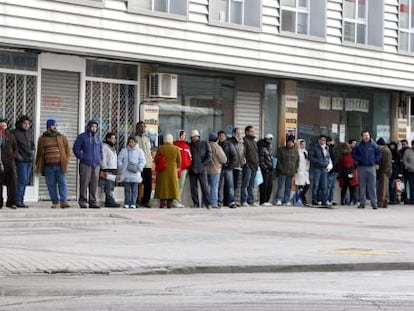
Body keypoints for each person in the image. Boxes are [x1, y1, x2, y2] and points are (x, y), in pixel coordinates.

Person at [35, 119, 71, 209]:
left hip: (60, 165)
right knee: (51, 184)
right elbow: (39, 152)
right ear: (48, 126)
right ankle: (55, 202)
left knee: (62, 183)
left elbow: (68, 150)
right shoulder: (42, 138)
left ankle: (63, 201)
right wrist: (38, 164)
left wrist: (66, 160)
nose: (55, 127)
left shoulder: (61, 137)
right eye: (53, 125)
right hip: (48, 166)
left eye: (56, 125)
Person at [73, 120, 103, 209]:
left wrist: (100, 159)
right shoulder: (82, 137)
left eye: (96, 127)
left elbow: (100, 150)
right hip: (85, 164)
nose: (94, 128)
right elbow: (76, 148)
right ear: (89, 127)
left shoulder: (98, 138)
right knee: (84, 182)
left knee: (94, 183)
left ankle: (93, 201)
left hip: (96, 164)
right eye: (92, 126)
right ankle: (83, 201)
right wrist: (83, 157)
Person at [352, 130, 382, 209]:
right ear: (362, 136)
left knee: (372, 186)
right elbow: (353, 154)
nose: (366, 137)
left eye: (367, 135)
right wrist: (359, 159)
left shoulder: (373, 145)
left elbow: (379, 153)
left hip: (371, 167)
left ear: (369, 136)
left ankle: (374, 203)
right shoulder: (358, 145)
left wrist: (375, 160)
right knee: (362, 186)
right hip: (361, 167)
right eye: (364, 135)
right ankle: (362, 203)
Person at [12, 115, 35, 208]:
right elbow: (12, 147)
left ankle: (20, 199)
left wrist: (33, 151)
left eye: (28, 124)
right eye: (25, 123)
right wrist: (18, 156)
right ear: (21, 123)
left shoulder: (30, 132)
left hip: (29, 160)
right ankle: (18, 200)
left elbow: (32, 144)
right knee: (22, 180)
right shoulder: (15, 133)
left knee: (25, 181)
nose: (26, 125)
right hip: (21, 160)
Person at [118, 136, 146, 209]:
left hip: (135, 174)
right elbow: (119, 160)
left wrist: (139, 168)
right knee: (127, 190)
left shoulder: (139, 151)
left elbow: (143, 161)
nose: (131, 143)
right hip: (126, 174)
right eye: (129, 142)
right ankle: (127, 203)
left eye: (132, 142)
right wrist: (122, 167)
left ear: (135, 142)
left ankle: (133, 203)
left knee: (135, 190)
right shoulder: (124, 151)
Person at [154, 134, 181, 208]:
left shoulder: (161, 148)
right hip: (172, 170)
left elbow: (156, 159)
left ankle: (162, 203)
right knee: (172, 186)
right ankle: (170, 204)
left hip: (162, 170)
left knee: (162, 186)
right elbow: (179, 161)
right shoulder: (176, 148)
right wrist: (176, 166)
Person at [188, 129, 212, 208]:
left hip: (202, 169)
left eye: (196, 136)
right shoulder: (189, 145)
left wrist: (203, 164)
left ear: (198, 136)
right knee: (193, 188)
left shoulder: (204, 143)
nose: (195, 138)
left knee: (204, 186)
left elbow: (209, 155)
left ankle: (208, 203)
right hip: (192, 169)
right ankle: (196, 203)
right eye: (193, 137)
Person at [273, 136, 299, 206]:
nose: (290, 144)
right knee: (281, 186)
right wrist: (281, 168)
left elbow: (297, 161)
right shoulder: (281, 150)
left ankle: (286, 200)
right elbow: (278, 160)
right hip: (282, 172)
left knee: (289, 187)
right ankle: (279, 199)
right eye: (288, 142)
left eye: (291, 142)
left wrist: (295, 169)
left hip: (291, 172)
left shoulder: (295, 151)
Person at [0, 118, 18, 209]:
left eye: (4, 125)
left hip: (10, 162)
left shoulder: (11, 136)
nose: (3, 127)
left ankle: (11, 202)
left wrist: (13, 156)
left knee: (12, 183)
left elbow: (16, 148)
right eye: (1, 125)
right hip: (0, 162)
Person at [134, 121, 153, 208]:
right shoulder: (134, 138)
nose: (143, 128)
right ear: (137, 128)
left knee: (148, 183)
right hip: (138, 164)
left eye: (144, 127)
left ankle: (146, 201)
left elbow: (149, 150)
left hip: (148, 164)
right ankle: (137, 200)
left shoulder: (147, 138)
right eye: (141, 127)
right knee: (138, 183)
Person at [217, 130, 237, 208]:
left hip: (228, 168)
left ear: (225, 137)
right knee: (219, 185)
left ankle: (231, 201)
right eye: (220, 136)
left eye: (223, 136)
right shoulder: (217, 145)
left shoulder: (229, 144)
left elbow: (234, 156)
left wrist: (230, 166)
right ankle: (219, 201)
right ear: (218, 137)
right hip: (219, 168)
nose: (221, 137)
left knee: (230, 186)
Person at [309, 134, 330, 206]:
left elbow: (327, 157)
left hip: (324, 168)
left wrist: (327, 163)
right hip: (317, 168)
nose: (323, 141)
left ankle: (324, 200)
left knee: (324, 185)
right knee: (316, 185)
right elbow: (311, 157)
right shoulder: (314, 147)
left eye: (324, 140)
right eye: (322, 140)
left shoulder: (326, 148)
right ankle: (314, 200)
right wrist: (319, 162)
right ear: (319, 140)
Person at [207, 132, 227, 209]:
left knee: (206, 187)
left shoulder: (206, 145)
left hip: (206, 170)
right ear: (216, 139)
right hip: (215, 170)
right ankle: (213, 203)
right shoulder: (217, 147)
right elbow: (224, 159)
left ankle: (205, 202)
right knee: (214, 187)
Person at [241, 125, 259, 207]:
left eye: (253, 131)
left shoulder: (254, 142)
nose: (253, 133)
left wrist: (257, 164)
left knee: (251, 185)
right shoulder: (244, 141)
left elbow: (256, 154)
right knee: (245, 184)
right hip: (248, 166)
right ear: (247, 132)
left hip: (255, 166)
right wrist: (246, 163)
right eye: (251, 131)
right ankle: (244, 200)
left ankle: (251, 200)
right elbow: (243, 154)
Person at [100, 132, 120, 208]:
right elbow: (103, 158)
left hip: (113, 168)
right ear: (108, 139)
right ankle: (110, 201)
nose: (114, 140)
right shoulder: (104, 147)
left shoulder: (112, 147)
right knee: (108, 186)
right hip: (107, 169)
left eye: (115, 138)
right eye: (113, 138)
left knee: (111, 186)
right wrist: (104, 169)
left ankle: (109, 200)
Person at [173, 130, 192, 207]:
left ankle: (177, 200)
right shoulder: (174, 145)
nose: (183, 137)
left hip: (184, 169)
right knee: (175, 184)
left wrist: (187, 165)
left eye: (184, 135)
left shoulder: (187, 146)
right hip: (175, 168)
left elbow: (190, 157)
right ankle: (175, 200)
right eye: (182, 135)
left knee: (181, 185)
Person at [229, 127, 245, 206]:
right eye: (238, 133)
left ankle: (235, 200)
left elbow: (242, 153)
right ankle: (231, 201)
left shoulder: (241, 142)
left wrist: (244, 160)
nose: (239, 135)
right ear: (234, 133)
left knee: (237, 185)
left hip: (239, 166)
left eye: (240, 133)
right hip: (233, 166)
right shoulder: (231, 142)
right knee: (232, 185)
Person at [257, 133, 274, 206]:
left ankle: (267, 200)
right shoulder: (262, 147)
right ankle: (263, 201)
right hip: (264, 169)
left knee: (270, 186)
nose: (269, 140)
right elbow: (260, 159)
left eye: (271, 139)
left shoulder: (269, 147)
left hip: (269, 169)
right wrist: (265, 167)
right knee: (264, 186)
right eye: (268, 139)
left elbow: (269, 158)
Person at [376, 138, 392, 208]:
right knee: (385, 188)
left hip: (384, 172)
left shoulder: (385, 151)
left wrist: (384, 172)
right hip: (384, 171)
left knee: (382, 188)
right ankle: (385, 202)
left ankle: (381, 202)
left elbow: (387, 163)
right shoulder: (385, 150)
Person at [294, 139, 310, 205]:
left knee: (307, 184)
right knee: (300, 185)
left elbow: (308, 161)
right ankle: (301, 199)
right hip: (299, 170)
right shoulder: (297, 152)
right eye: (301, 144)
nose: (303, 145)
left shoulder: (305, 152)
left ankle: (301, 196)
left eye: (304, 144)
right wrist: (297, 169)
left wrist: (307, 168)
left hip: (305, 170)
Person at [326, 137, 338, 205]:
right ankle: (327, 199)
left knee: (332, 186)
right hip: (330, 169)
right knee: (328, 185)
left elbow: (336, 159)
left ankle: (331, 199)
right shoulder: (328, 149)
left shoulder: (333, 149)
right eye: (331, 141)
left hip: (335, 169)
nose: (333, 142)